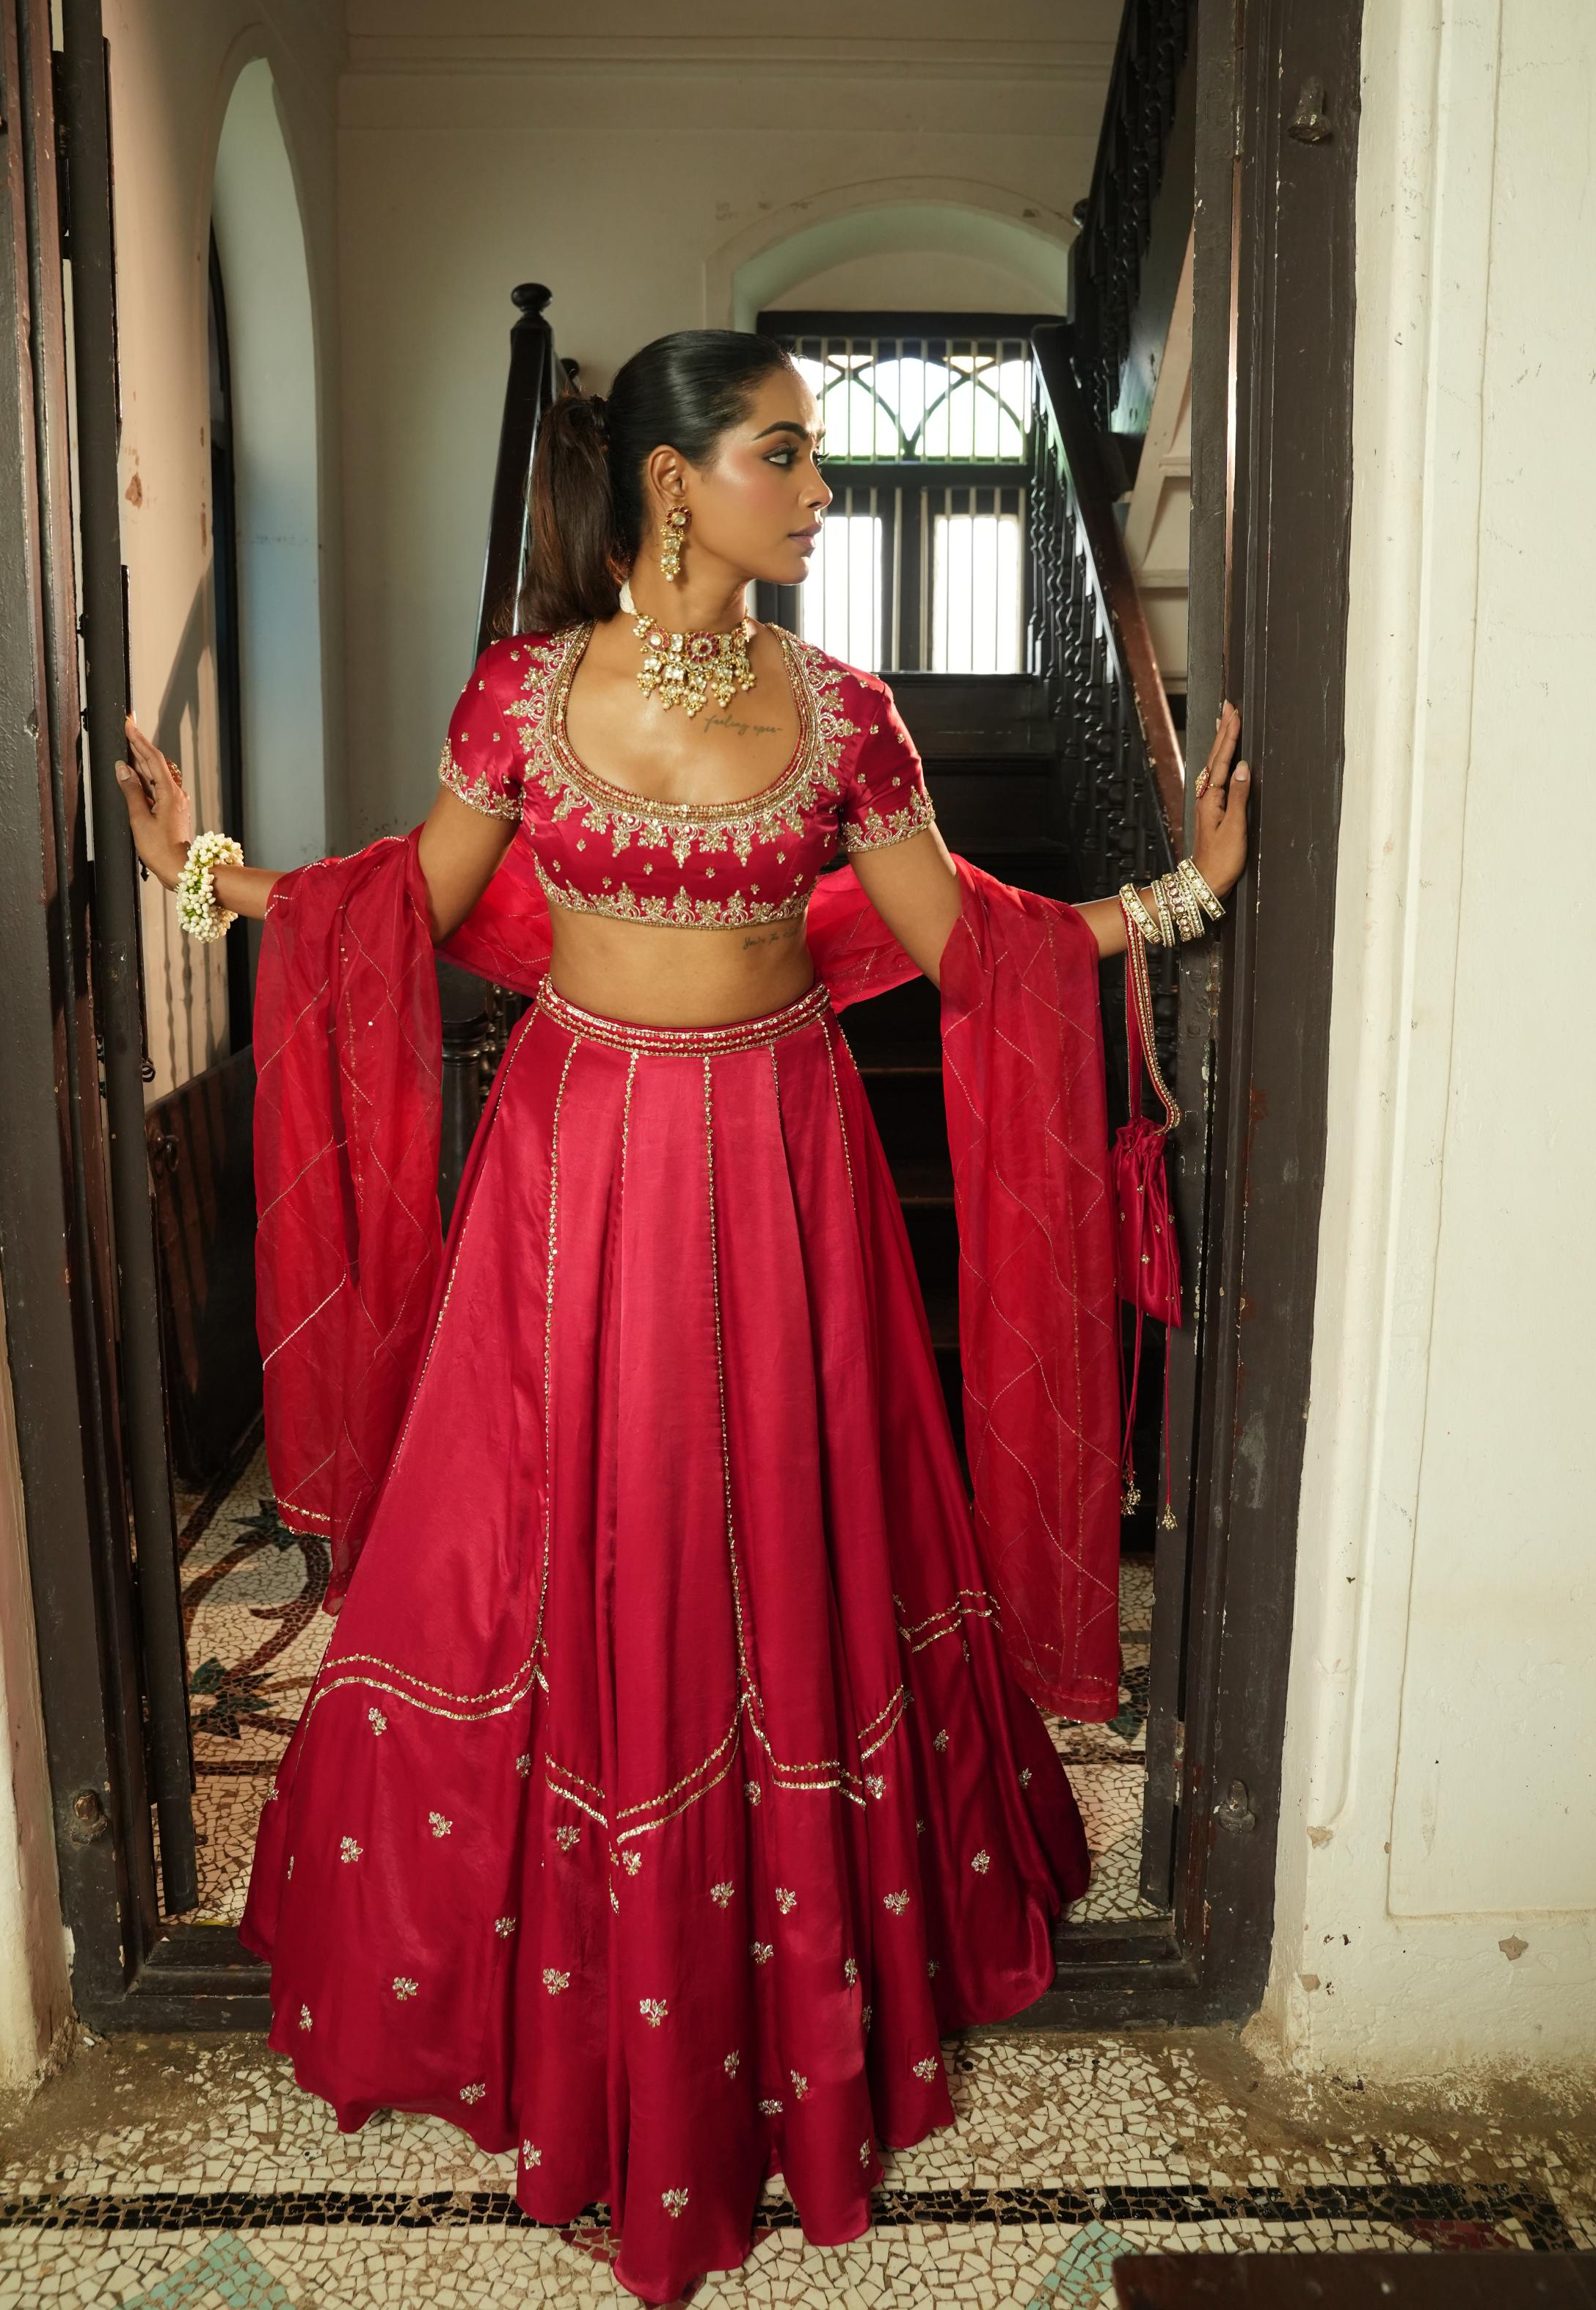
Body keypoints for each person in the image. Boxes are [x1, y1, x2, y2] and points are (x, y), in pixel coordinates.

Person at [118, 328, 1249, 2306]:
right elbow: (416, 907)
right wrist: (217, 882)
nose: (822, 492)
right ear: (671, 483)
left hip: (786, 1172)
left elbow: (956, 938)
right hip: (570, 1174)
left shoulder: (852, 714)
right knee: (565, 1537)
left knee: (783, 1533)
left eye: (817, 457)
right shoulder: (523, 695)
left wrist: (1168, 903)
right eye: (788, 456)